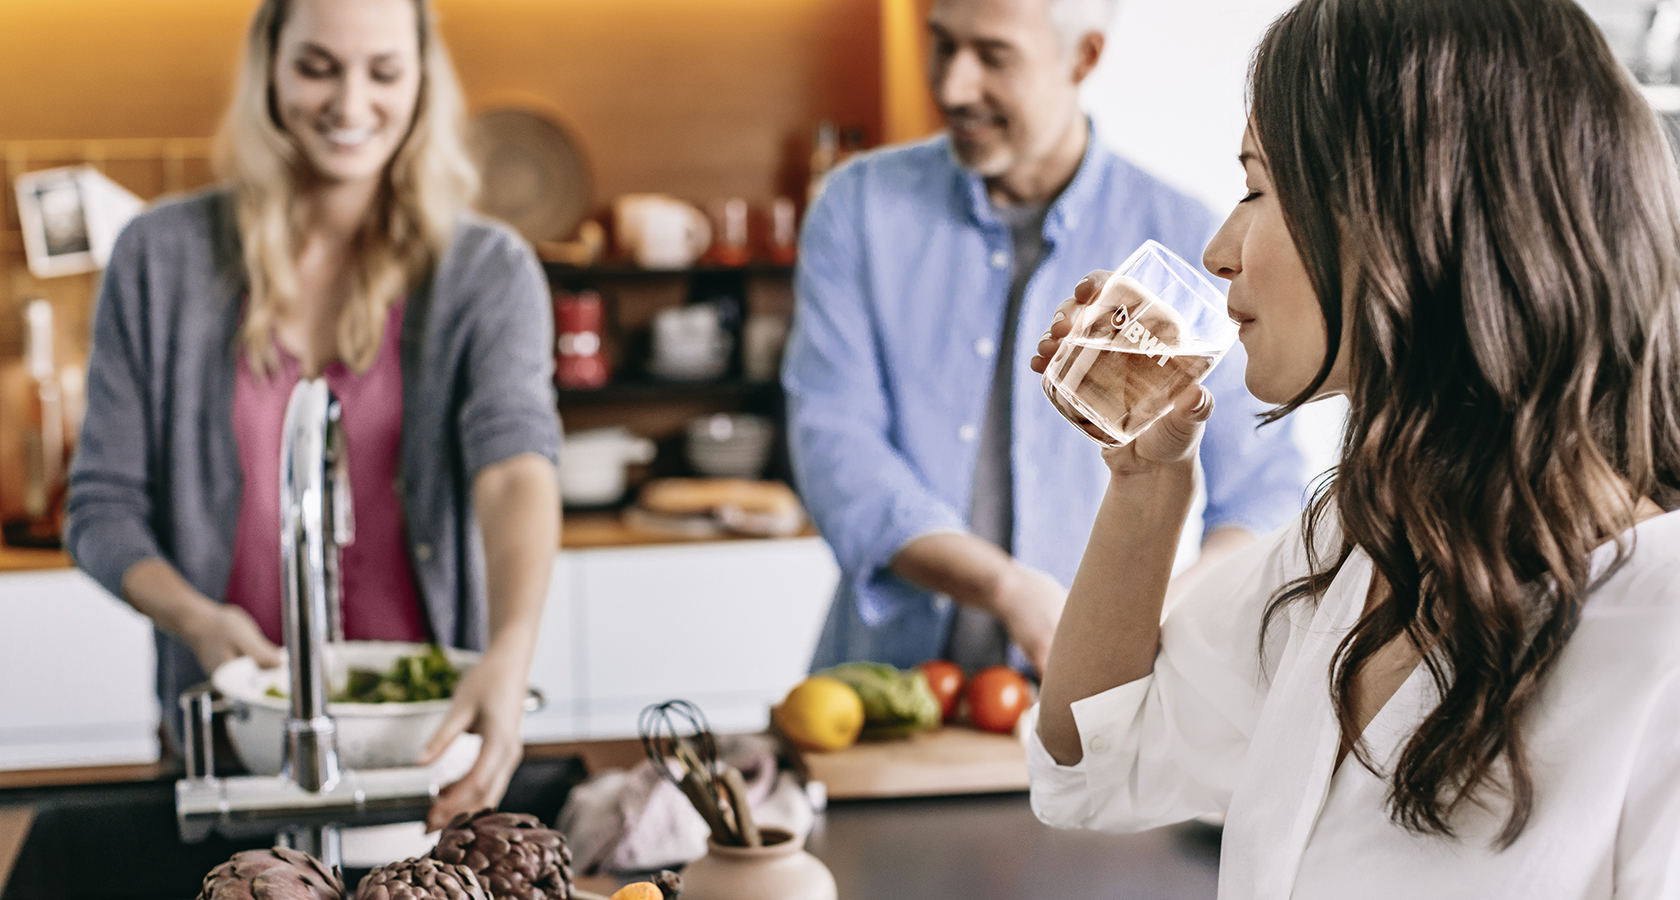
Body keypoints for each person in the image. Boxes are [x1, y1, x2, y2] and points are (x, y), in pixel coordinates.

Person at [1026, 0, 1680, 896]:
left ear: (1407, 210)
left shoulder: (1662, 630)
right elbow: (1090, 767)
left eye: (1258, 187)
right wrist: (1147, 486)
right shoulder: (1351, 547)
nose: (1220, 250)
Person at [65, 0, 560, 831]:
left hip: (429, 751)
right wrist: (198, 621)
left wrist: (509, 651)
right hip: (233, 744)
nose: (350, 103)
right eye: (317, 67)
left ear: (423, 80)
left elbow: (514, 468)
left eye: (384, 71)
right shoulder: (158, 259)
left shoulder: (487, 270)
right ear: (268, 65)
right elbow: (101, 509)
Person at [784, 0, 1305, 676]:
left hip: (1095, 711)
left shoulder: (1189, 239)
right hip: (886, 690)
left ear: (1083, 57)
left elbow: (1264, 496)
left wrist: (1133, 628)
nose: (951, 87)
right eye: (942, 45)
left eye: (994, 56)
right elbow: (835, 446)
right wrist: (1007, 590)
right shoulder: (856, 206)